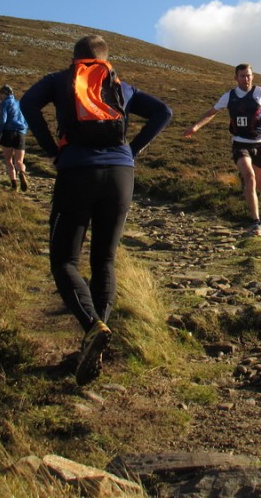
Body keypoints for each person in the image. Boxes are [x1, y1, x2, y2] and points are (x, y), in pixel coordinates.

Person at [20, 35, 172, 385]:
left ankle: (93, 327)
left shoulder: (58, 81)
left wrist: (50, 149)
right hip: (120, 175)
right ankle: (96, 341)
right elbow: (164, 112)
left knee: (64, 261)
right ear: (105, 59)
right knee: (104, 259)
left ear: (74, 60)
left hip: (76, 171)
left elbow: (28, 105)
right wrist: (131, 150)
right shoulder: (119, 85)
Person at [183, 63, 261, 236]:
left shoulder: (260, 92)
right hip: (240, 142)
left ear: (253, 76)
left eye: (248, 75)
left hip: (259, 143)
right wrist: (196, 127)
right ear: (236, 78)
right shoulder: (229, 96)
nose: (246, 79)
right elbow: (212, 112)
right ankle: (256, 222)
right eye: (242, 76)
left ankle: (247, 185)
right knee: (250, 178)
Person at [0, 84, 29, 192]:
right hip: (20, 133)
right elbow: (26, 119)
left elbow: (3, 120)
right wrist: (24, 130)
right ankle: (22, 173)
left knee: (8, 160)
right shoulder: (19, 104)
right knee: (19, 161)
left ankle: (14, 185)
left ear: (4, 94)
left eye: (0, 94)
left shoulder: (4, 103)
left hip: (8, 132)